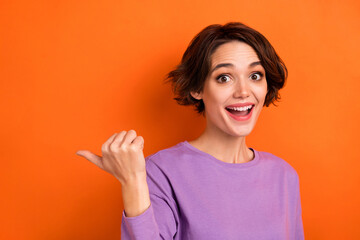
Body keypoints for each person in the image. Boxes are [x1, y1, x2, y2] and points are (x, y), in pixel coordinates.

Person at [76, 22, 305, 240]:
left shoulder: (284, 176)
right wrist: (133, 181)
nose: (243, 91)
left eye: (255, 76)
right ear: (197, 88)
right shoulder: (161, 172)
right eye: (224, 78)